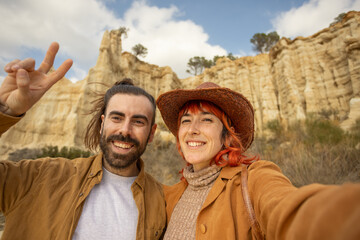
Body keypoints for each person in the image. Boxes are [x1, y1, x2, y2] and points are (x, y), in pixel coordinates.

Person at [0, 42, 166, 239]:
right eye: (117, 118)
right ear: (102, 123)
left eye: (138, 121)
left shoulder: (163, 201)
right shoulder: (42, 177)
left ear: (152, 132)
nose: (125, 130)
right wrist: (4, 112)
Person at [156, 82, 360, 240]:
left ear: (227, 136)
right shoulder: (170, 197)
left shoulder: (254, 179)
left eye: (207, 119)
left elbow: (290, 211)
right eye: (186, 121)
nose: (193, 129)